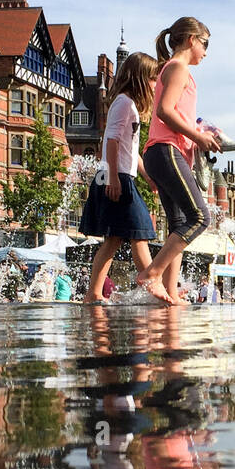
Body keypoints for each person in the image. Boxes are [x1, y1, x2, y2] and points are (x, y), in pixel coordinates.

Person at [135, 17, 221, 305]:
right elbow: (164, 111)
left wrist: (201, 133)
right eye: (205, 43)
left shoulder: (173, 70)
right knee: (200, 217)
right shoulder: (178, 68)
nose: (206, 52)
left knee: (179, 224)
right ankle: (153, 273)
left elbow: (175, 114)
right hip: (165, 151)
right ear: (190, 40)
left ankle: (170, 292)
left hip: (163, 153)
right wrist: (198, 138)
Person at [81, 52, 161, 303]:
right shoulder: (124, 103)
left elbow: (130, 149)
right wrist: (114, 178)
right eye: (152, 79)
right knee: (140, 230)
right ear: (140, 78)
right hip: (116, 177)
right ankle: (153, 285)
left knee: (115, 239)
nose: (155, 85)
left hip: (120, 175)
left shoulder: (129, 105)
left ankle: (94, 293)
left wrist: (147, 176)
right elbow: (112, 141)